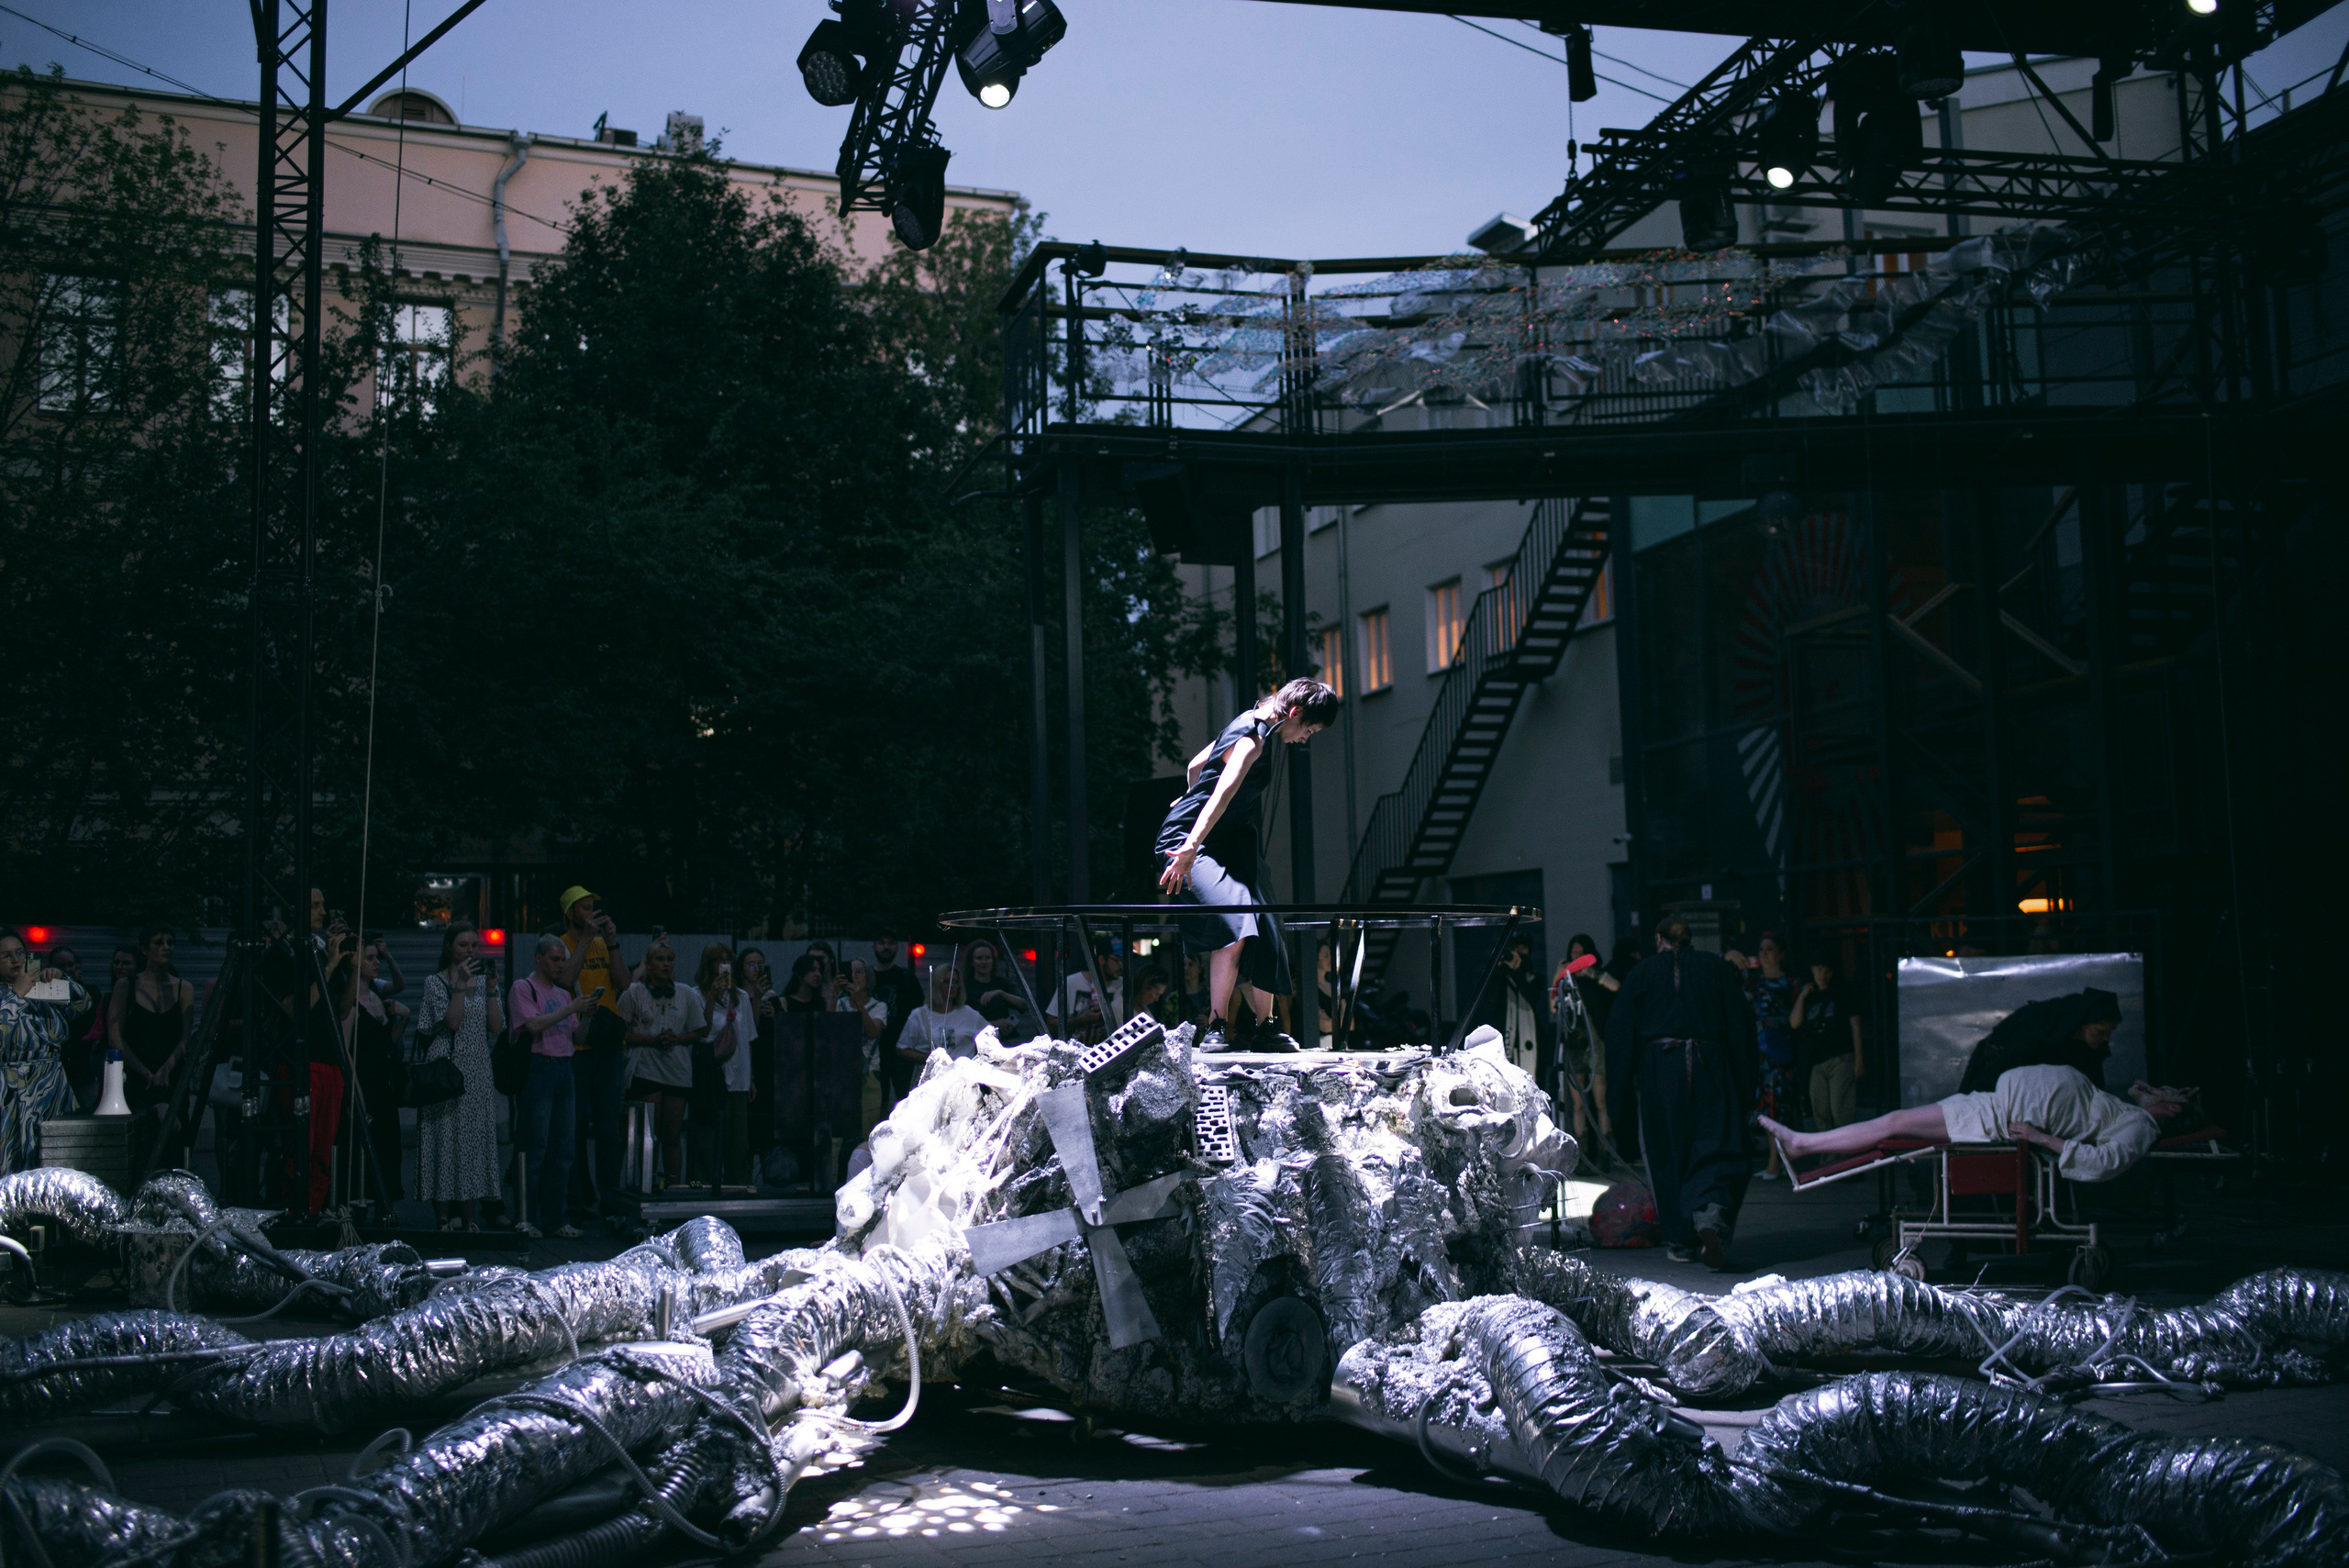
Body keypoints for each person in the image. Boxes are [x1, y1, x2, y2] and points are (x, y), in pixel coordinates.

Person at [1157, 676, 1339, 1051]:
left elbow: (1195, 765)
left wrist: (1190, 796)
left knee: (1267, 919)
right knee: (1238, 919)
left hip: (1230, 838)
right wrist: (1191, 842)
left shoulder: (1254, 720)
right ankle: (1217, 1027)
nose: (1305, 738)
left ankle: (1266, 1027)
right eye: (1309, 730)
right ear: (1295, 712)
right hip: (1193, 843)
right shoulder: (1252, 740)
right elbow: (1222, 793)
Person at [1604, 915, 1757, 1269]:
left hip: (1662, 1071)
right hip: (1711, 1066)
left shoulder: (1643, 973)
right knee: (1715, 1145)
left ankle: (1682, 1241)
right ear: (1689, 940)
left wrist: (1619, 1096)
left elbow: (1620, 1031)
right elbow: (1741, 1024)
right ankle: (1710, 1216)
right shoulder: (1716, 969)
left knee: (1668, 1152)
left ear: (1659, 939)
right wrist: (1745, 1084)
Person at [1762, 1065, 2189, 1184]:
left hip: (1993, 1120)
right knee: (1893, 1125)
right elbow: (2135, 1094)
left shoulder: (2140, 1127)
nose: (2156, 1088)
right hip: (1989, 1106)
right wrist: (2149, 1093)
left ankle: (1802, 1143)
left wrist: (2044, 1139)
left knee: (1893, 1125)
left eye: (2167, 1092)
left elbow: (2106, 1161)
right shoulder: (2128, 1109)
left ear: (2172, 1111)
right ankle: (1804, 1143)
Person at [260, 889, 357, 1212]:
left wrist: (352, 966)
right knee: (299, 1145)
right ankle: (293, 1211)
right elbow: (294, 1009)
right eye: (314, 904)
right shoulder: (282, 954)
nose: (322, 910)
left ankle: (315, 1211)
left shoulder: (319, 950)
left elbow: (342, 1009)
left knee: (323, 1148)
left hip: (330, 1058)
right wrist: (328, 967)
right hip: (301, 1059)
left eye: (322, 903)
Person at [414, 922, 505, 1230]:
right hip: (447, 1065)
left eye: (474, 946)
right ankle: (441, 1216)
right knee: (443, 1137)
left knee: (473, 1141)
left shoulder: (483, 982)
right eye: (463, 945)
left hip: (477, 1066)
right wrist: (461, 986)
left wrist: (491, 989)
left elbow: (495, 1027)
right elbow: (452, 1022)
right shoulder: (434, 983)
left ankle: (468, 1217)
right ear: (449, 947)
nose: (470, 951)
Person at [555, 887, 634, 1227]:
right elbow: (565, 980)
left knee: (609, 1129)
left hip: (608, 1044)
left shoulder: (602, 942)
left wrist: (612, 942)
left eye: (594, 907)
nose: (592, 912)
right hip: (578, 1046)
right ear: (571, 912)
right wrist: (587, 938)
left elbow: (624, 983)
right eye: (585, 908)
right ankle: (576, 1201)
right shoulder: (561, 945)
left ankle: (611, 1199)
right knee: (572, 1129)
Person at [509, 935, 598, 1236]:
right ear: (539, 958)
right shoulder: (525, 987)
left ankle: (555, 1219)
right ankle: (526, 1217)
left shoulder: (562, 994)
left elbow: (579, 1036)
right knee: (535, 1148)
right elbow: (532, 1026)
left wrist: (586, 1014)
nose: (561, 965)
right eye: (555, 959)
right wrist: (572, 1007)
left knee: (563, 1150)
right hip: (540, 1067)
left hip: (564, 1067)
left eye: (562, 959)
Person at [0, 928, 91, 1174]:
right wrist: (17, 993)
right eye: (6, 956)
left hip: (51, 1086)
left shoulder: (41, 987)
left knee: (56, 1163)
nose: (16, 960)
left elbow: (83, 1006)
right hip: (9, 1092)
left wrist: (62, 978)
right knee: (11, 1166)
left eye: (20, 952)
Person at [619, 939, 703, 1192]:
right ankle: (645, 1185)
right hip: (646, 1066)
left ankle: (674, 1186)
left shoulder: (686, 993)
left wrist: (676, 1038)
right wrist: (651, 1040)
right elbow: (620, 1032)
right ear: (648, 963)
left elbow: (699, 1029)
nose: (665, 964)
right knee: (648, 1136)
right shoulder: (634, 993)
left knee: (672, 1134)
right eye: (659, 959)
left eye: (669, 959)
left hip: (676, 1069)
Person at [109, 925, 195, 1169]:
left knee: (174, 1145)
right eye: (159, 942)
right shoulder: (126, 986)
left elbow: (185, 1038)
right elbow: (116, 1037)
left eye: (170, 942)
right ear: (145, 950)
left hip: (171, 1076)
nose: (167, 947)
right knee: (140, 1148)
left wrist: (166, 1069)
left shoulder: (183, 988)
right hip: (137, 1078)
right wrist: (146, 1073)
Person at [1957, 988, 2123, 1093]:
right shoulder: (2039, 1031)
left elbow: (2093, 1083)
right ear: (2084, 1024)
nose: (2106, 1038)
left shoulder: (2087, 1044)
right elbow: (2001, 1069)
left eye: (2110, 1032)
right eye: (2100, 1031)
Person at [344, 938, 409, 1201]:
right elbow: (346, 1050)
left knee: (387, 1145)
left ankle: (385, 1199)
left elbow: (387, 1043)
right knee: (362, 1146)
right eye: (369, 958)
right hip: (364, 1081)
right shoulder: (349, 1002)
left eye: (376, 958)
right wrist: (355, 1092)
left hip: (383, 1082)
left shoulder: (377, 997)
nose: (376, 963)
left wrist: (404, 1019)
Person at [693, 944, 756, 1187]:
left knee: (738, 1139)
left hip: (738, 1074)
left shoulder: (741, 997)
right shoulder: (696, 994)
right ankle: (703, 1186)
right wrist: (710, 997)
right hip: (711, 1074)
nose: (722, 966)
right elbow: (702, 1032)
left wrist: (751, 1079)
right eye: (717, 961)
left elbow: (748, 1038)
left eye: (726, 960)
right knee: (706, 1138)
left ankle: (737, 1187)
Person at [1552, 933, 1614, 1157]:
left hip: (1595, 1042)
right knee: (1578, 1103)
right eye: (1573, 953)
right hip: (1574, 1043)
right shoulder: (1566, 981)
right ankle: (1582, 1152)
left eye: (1580, 953)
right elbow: (1553, 1007)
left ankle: (1604, 1151)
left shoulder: (1593, 977)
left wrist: (1590, 972)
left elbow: (1615, 986)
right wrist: (1558, 977)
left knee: (1600, 1099)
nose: (1575, 957)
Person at [1790, 955, 1863, 1130]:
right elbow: (1794, 1023)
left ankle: (1846, 1151)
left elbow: (1855, 1026)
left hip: (1840, 1057)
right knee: (1820, 1111)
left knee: (1840, 1110)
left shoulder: (1843, 993)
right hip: (1817, 1061)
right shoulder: (1810, 996)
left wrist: (1859, 1060)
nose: (1821, 974)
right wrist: (1802, 996)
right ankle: (1829, 1156)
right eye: (1817, 969)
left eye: (1825, 969)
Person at [1751, 933, 1798, 1181]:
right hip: (1761, 1052)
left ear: (1781, 954)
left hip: (1781, 1051)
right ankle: (1775, 1159)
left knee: (1777, 1106)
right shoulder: (1754, 983)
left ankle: (1776, 1161)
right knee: (1766, 1106)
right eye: (1761, 949)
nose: (1764, 954)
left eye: (1770, 949)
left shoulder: (1791, 984)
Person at [896, 962, 987, 1068]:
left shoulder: (970, 1014)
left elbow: (993, 1037)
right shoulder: (919, 1015)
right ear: (936, 984)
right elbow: (901, 1048)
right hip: (932, 1079)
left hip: (963, 1079)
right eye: (946, 982)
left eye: (955, 982)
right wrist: (928, 1059)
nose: (951, 986)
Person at [867, 939, 925, 1101]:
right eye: (882, 942)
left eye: (890, 943)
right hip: (874, 1050)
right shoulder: (867, 977)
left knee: (906, 1101)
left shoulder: (906, 977)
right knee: (877, 1102)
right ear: (874, 945)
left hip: (903, 1050)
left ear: (897, 947)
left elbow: (919, 1011)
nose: (886, 947)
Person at [1048, 939, 1125, 1041]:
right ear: (1102, 959)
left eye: (1123, 961)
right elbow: (1051, 1024)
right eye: (1117, 960)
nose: (1121, 966)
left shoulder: (1123, 985)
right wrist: (1081, 1020)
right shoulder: (1071, 983)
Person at [962, 940, 1032, 1040]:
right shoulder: (965, 987)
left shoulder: (1002, 983)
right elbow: (962, 1020)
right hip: (976, 1040)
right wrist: (992, 1024)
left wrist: (1001, 993)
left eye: (988, 958)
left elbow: (1026, 1005)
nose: (984, 962)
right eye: (979, 958)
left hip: (1005, 1039)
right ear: (972, 962)